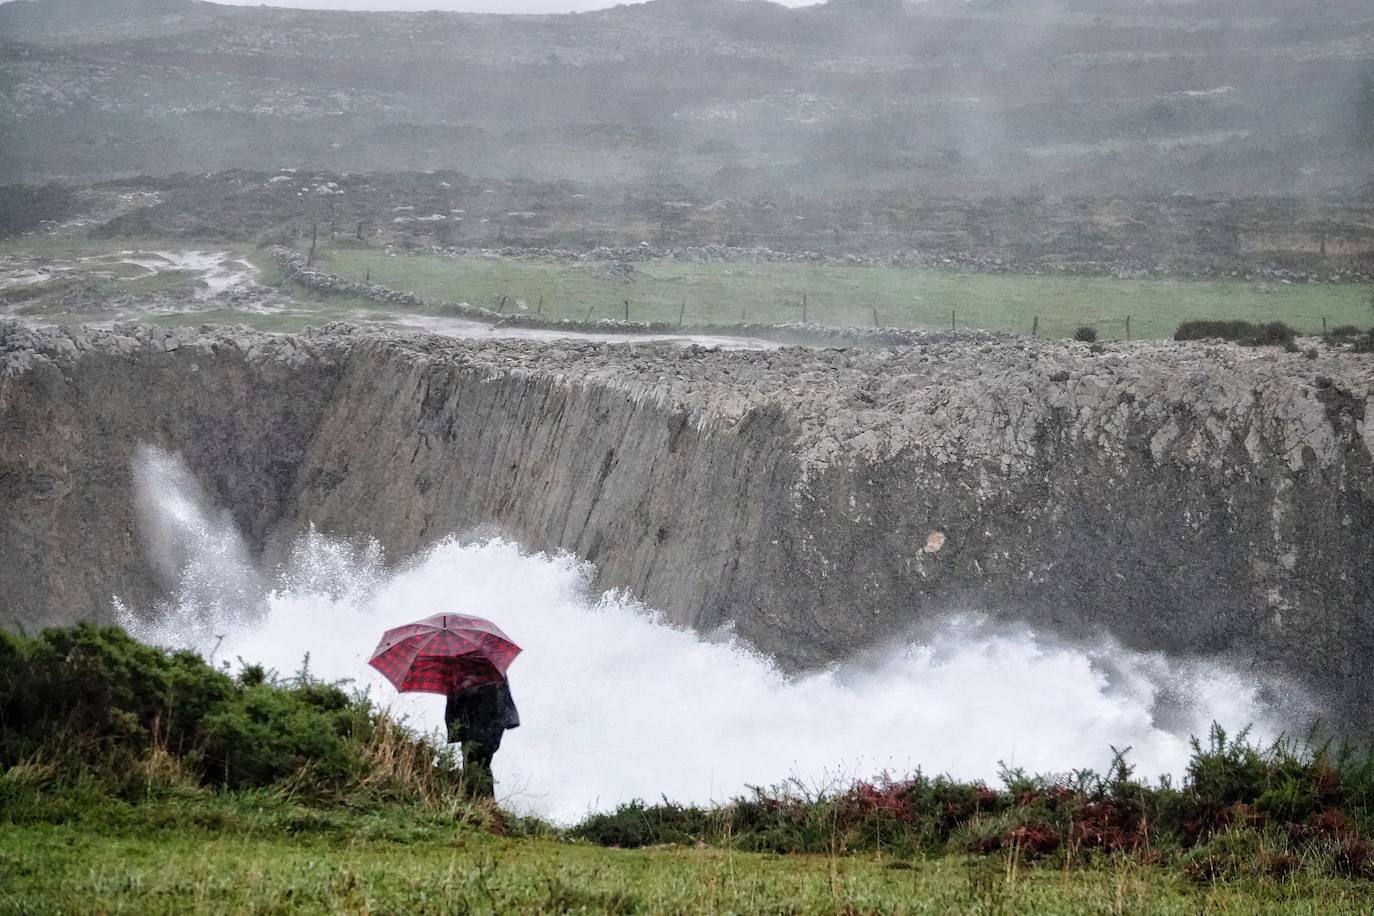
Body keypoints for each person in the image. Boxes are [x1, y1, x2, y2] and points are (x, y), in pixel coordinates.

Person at [444, 678, 520, 799]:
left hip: (490, 719)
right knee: (472, 759)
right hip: (471, 721)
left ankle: (484, 801)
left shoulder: (487, 667)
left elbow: (497, 695)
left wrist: (474, 687)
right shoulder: (458, 670)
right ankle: (479, 800)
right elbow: (455, 702)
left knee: (479, 759)